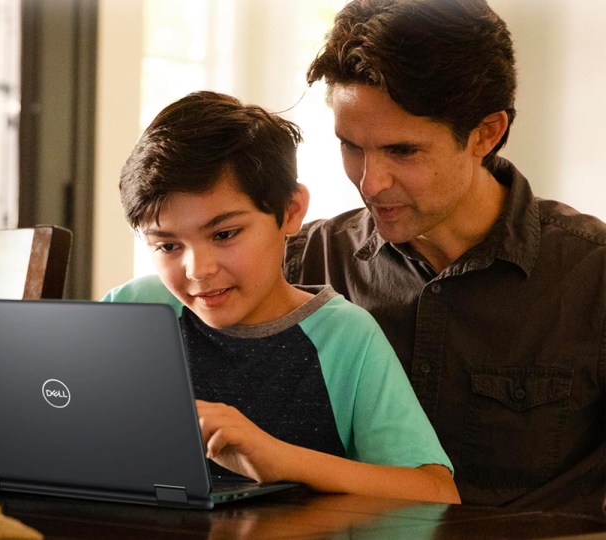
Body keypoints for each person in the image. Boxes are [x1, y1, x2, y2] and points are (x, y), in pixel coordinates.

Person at [283, 0, 605, 517]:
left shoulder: (595, 277)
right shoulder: (301, 266)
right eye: (351, 147)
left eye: (403, 151)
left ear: (486, 133)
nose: (370, 182)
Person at [102, 90, 460, 503]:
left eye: (224, 234)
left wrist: (278, 459)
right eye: (167, 246)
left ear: (291, 212)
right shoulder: (135, 309)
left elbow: (436, 491)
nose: (198, 269)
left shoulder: (345, 336)